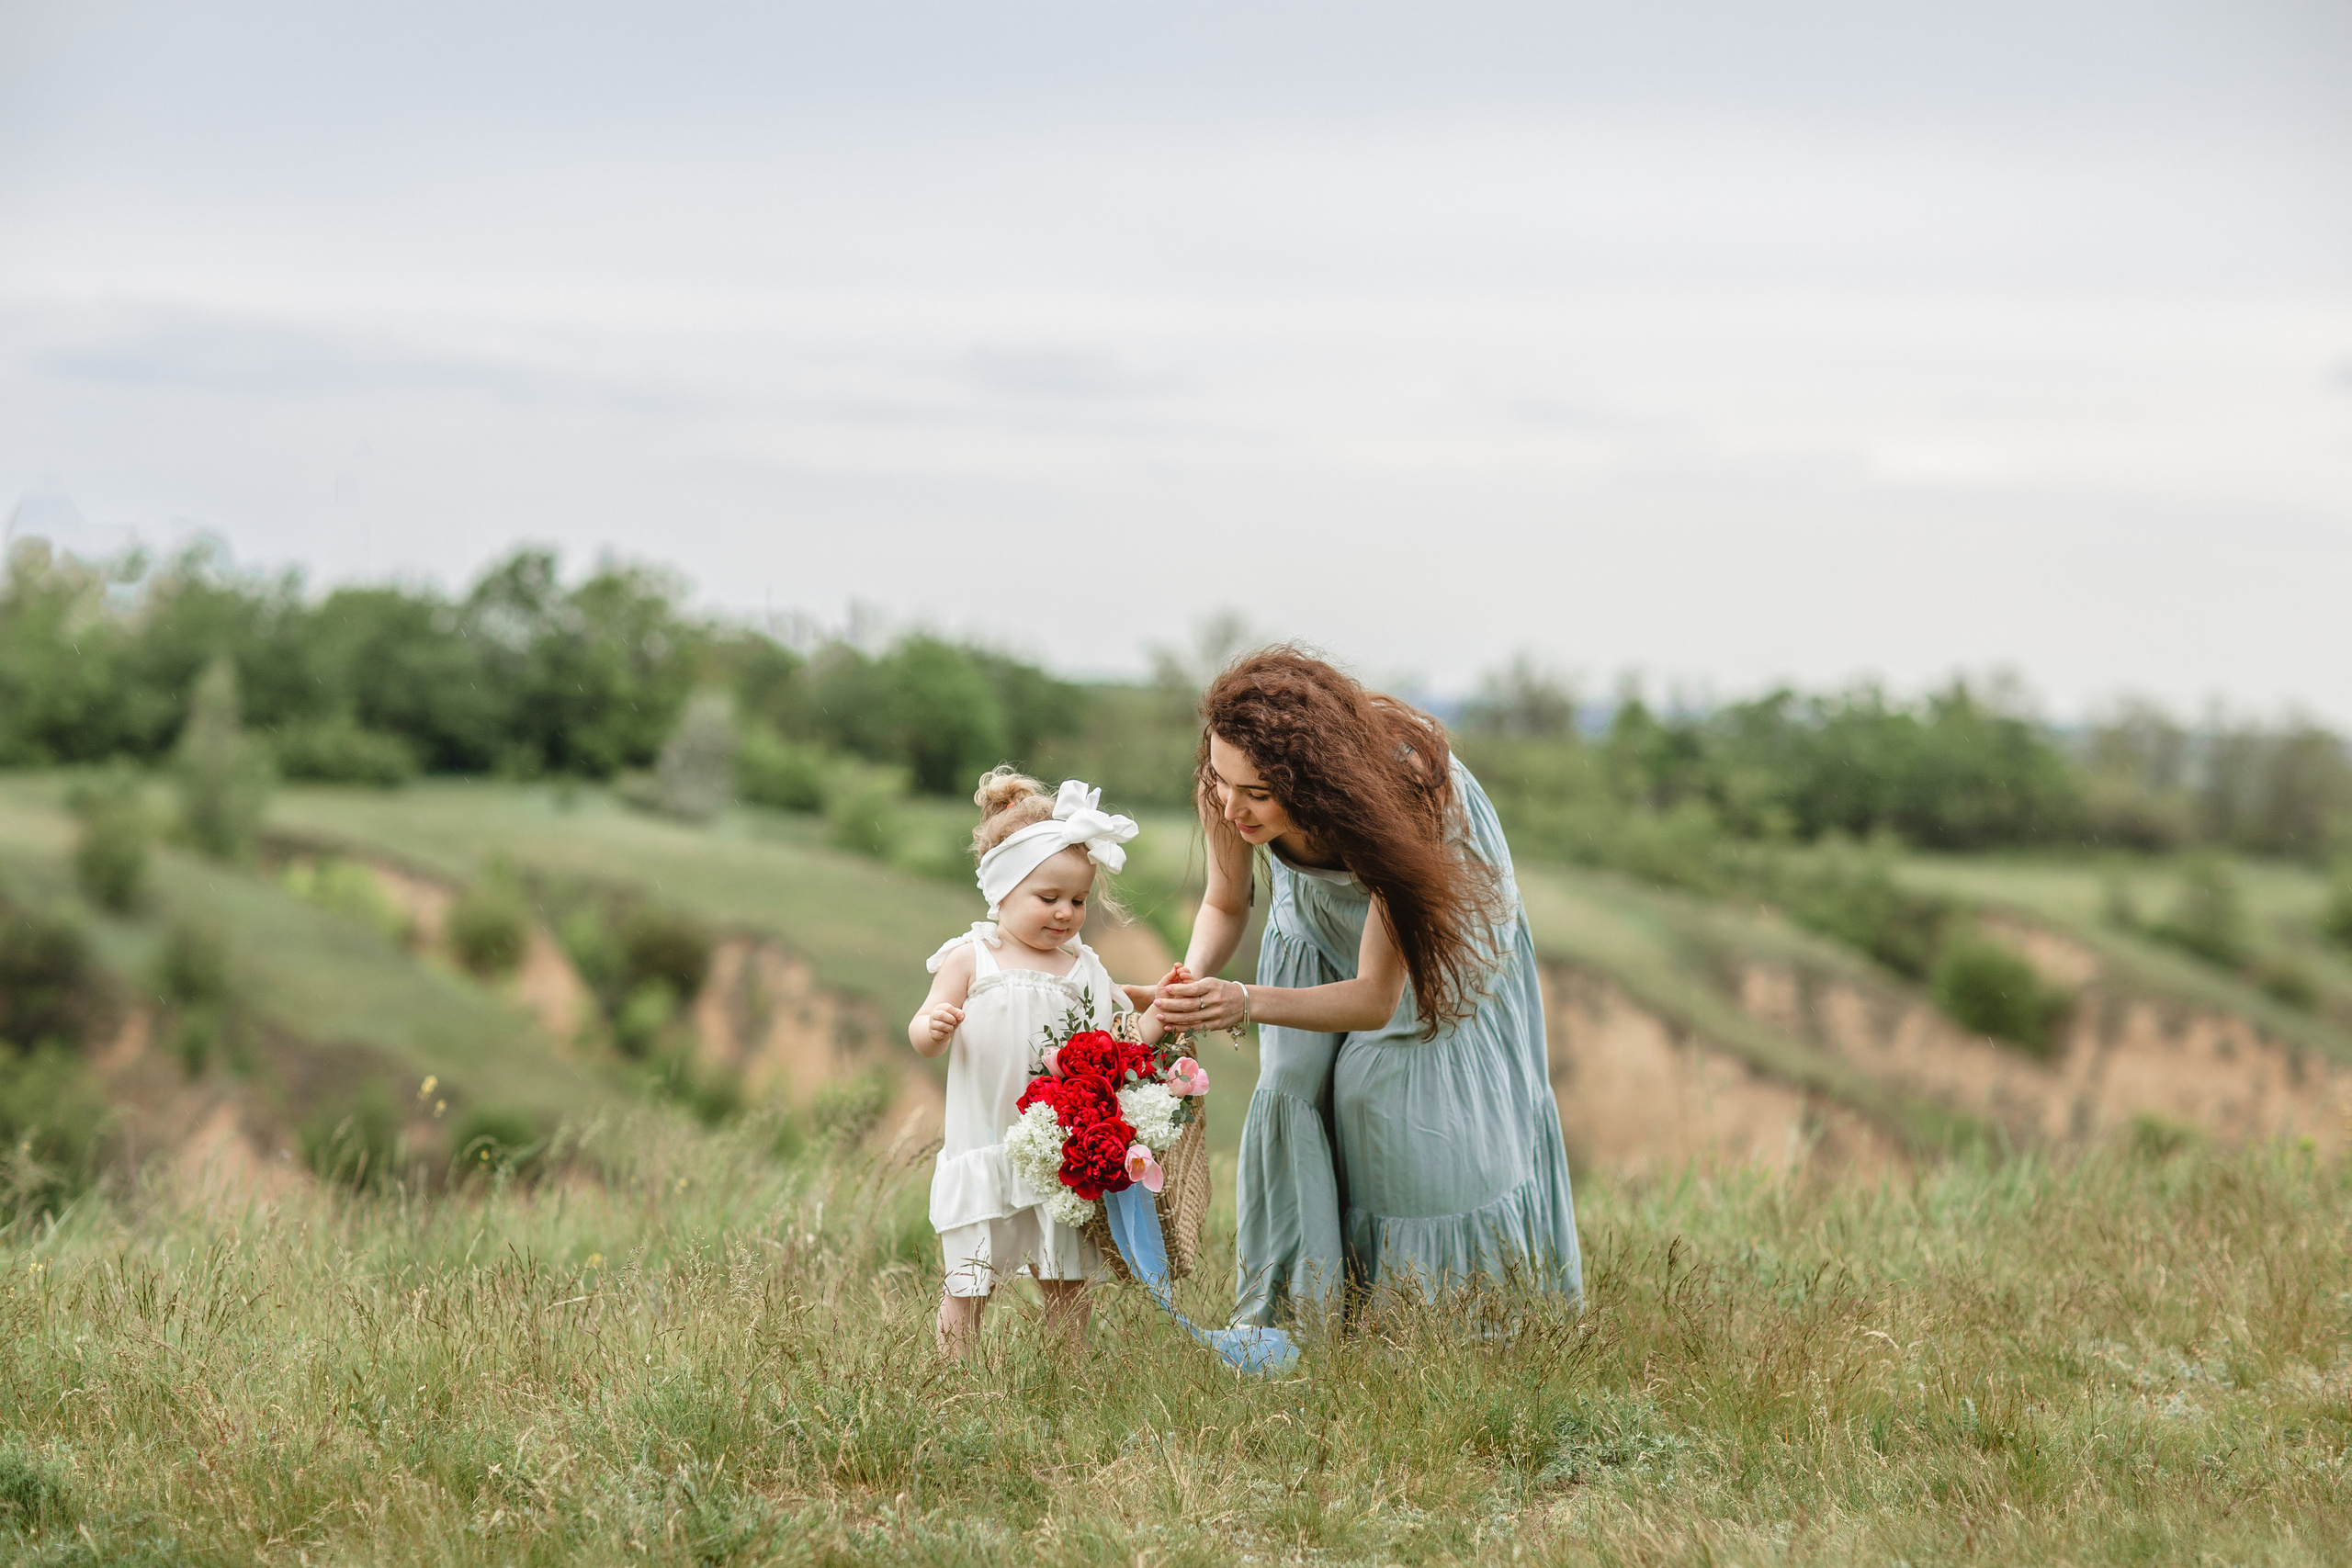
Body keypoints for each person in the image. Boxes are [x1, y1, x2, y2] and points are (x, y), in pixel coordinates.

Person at [1145, 649, 1580, 1326]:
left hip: (1429, 929)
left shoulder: (1404, 800)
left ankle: (1421, 1321)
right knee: (1288, 1084)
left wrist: (1245, 1000)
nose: (1232, 807)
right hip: (1314, 926)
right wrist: (1193, 976)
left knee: (1378, 1100)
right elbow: (1227, 902)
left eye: (1258, 794)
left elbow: (1378, 997)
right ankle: (1291, 1312)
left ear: (1318, 786)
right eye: (1222, 781)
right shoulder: (1228, 776)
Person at [909, 769, 1163, 1356]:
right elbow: (923, 1031)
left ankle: (1063, 1375)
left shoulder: (1084, 969)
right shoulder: (972, 957)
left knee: (1066, 1279)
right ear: (1002, 890)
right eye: (1047, 898)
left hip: (1059, 1155)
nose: (1064, 913)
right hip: (984, 1142)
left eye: (1076, 900)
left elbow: (1121, 1042)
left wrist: (1160, 1017)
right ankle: (953, 1376)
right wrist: (935, 1027)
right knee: (967, 1280)